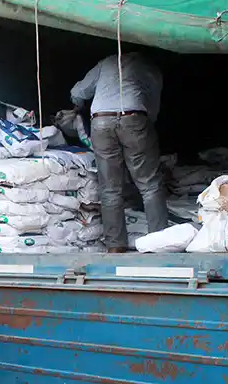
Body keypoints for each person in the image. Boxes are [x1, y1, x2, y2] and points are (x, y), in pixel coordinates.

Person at [71, 53, 168, 252]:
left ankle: (116, 246)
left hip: (100, 121)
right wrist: (147, 124)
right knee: (149, 184)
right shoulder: (150, 67)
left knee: (109, 188)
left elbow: (78, 92)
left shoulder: (106, 62)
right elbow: (153, 102)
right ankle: (159, 243)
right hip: (134, 117)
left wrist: (77, 106)